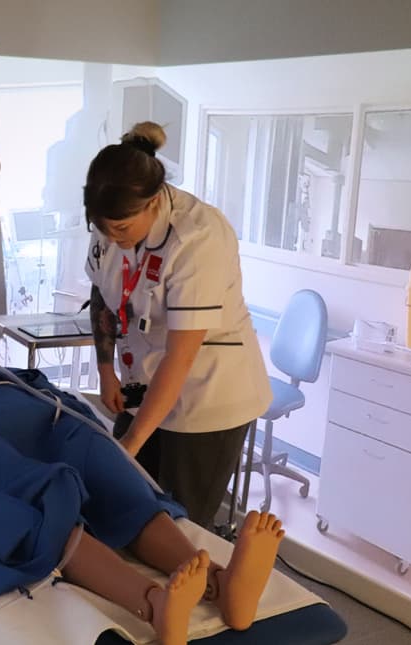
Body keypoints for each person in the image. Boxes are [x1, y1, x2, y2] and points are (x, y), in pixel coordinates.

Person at [0, 353, 285, 645]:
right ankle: (153, 603)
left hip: (32, 406)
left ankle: (221, 584)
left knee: (104, 467)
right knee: (37, 500)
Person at [83, 122, 272, 526]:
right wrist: (106, 371)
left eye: (121, 229)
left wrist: (133, 441)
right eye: (102, 227)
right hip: (146, 382)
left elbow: (181, 356)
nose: (111, 237)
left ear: (153, 203)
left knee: (176, 526)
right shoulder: (110, 221)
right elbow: (102, 293)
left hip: (206, 395)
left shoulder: (197, 237)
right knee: (123, 505)